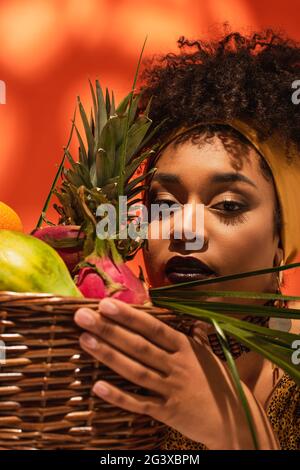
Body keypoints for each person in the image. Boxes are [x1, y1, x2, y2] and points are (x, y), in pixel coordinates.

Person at [74, 28, 300, 450]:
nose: (184, 229)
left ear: (280, 241)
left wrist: (241, 437)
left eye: (228, 205)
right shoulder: (89, 364)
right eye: (163, 202)